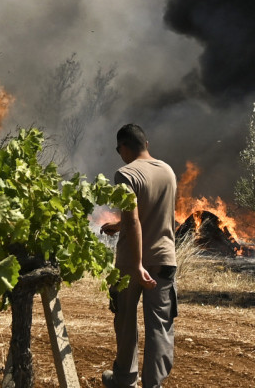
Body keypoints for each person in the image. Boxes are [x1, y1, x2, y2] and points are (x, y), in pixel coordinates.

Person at [100, 123, 178, 388]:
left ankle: (124, 380)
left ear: (123, 147)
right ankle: (153, 384)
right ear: (147, 143)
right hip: (165, 259)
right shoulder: (168, 171)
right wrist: (117, 224)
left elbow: (134, 221)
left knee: (125, 320)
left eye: (117, 149)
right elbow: (154, 214)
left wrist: (136, 265)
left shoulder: (125, 174)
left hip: (130, 262)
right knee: (160, 326)